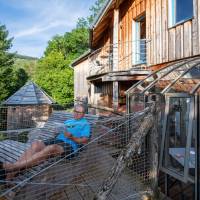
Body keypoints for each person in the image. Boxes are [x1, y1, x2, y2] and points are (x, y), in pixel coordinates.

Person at [0, 104, 90, 181]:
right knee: (36, 144)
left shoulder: (85, 124)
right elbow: (61, 131)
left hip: (70, 146)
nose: (76, 114)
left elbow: (85, 141)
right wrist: (57, 130)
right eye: (75, 111)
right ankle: (10, 175)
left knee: (51, 148)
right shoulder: (68, 121)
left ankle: (13, 167)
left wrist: (72, 137)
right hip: (58, 139)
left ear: (83, 114)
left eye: (79, 112)